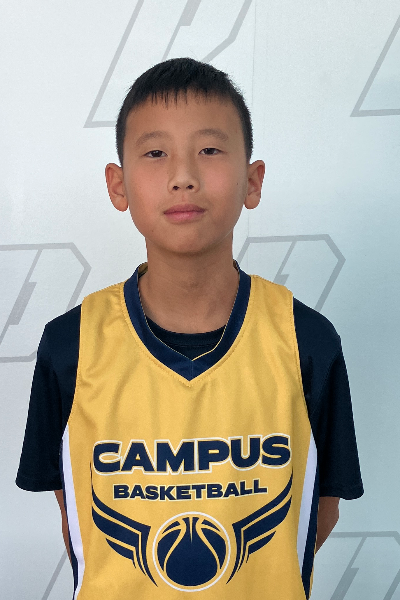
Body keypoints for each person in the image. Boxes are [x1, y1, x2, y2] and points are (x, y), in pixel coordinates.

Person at [16, 57, 363, 599]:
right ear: (118, 185)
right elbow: (77, 515)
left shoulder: (306, 340)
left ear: (253, 181)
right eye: (155, 153)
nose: (183, 176)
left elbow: (319, 510)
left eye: (210, 151)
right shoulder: (71, 345)